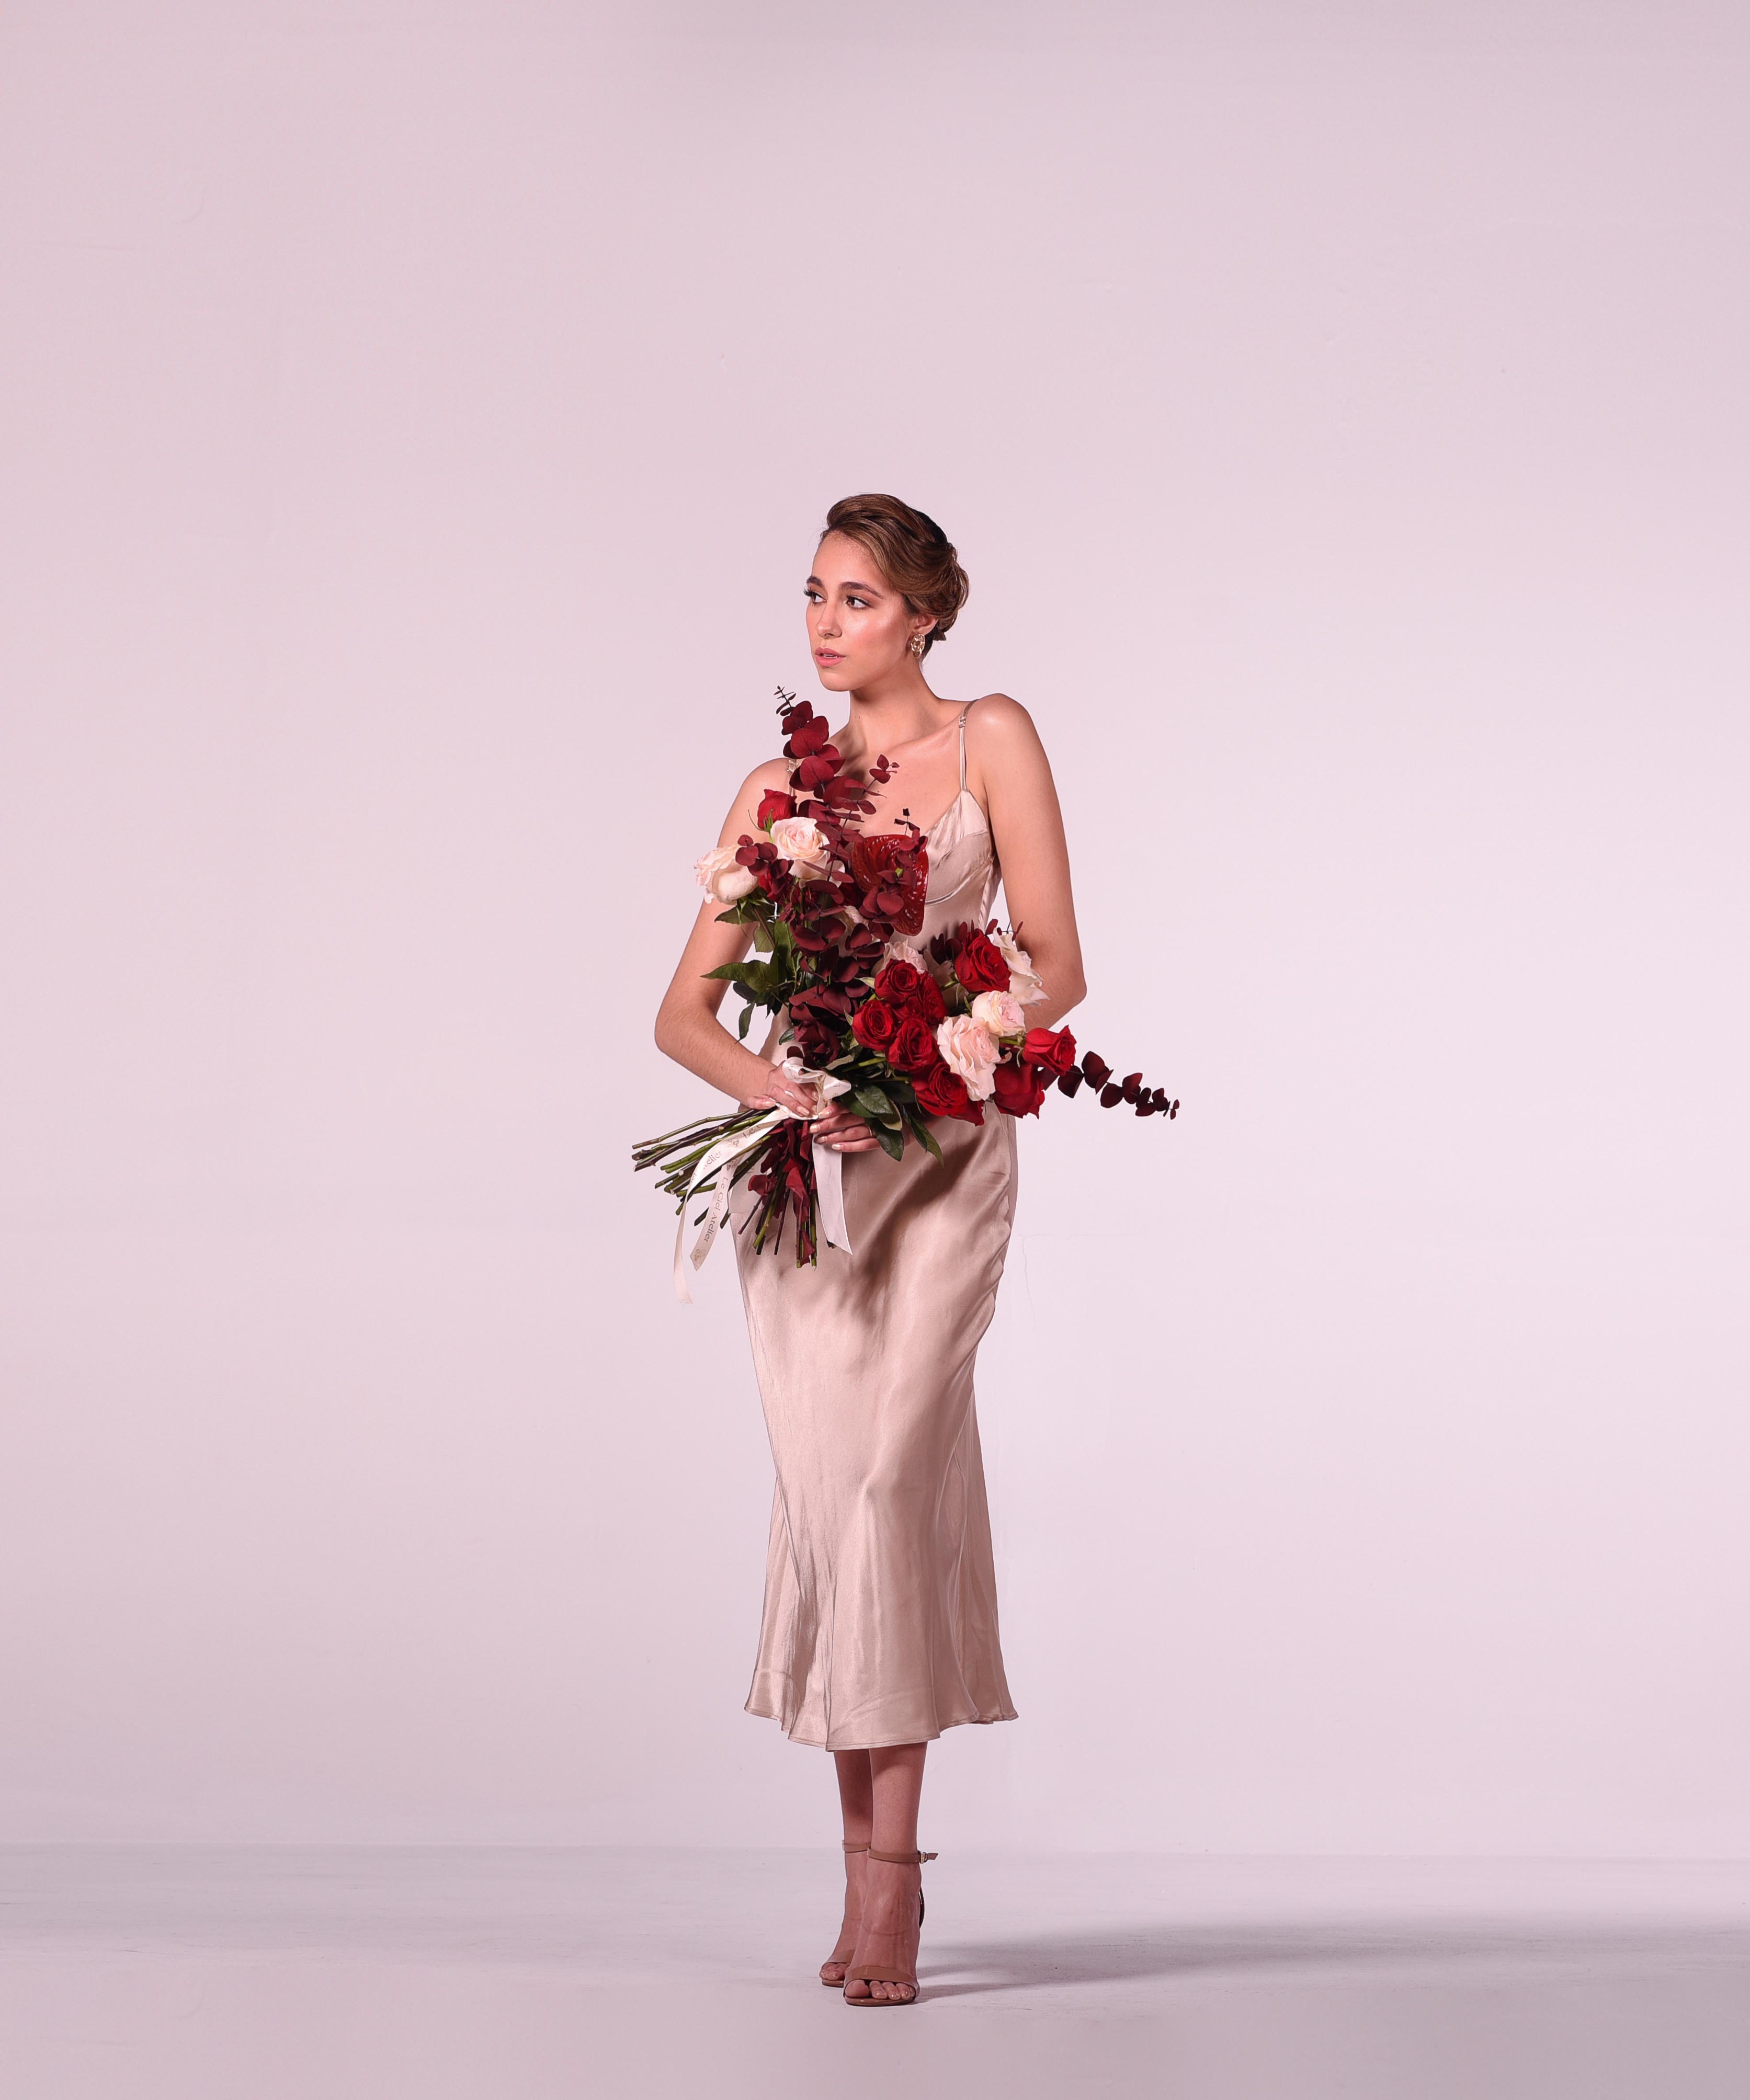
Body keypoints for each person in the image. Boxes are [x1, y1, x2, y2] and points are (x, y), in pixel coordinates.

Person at [654, 494, 1086, 2005]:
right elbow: (682, 1016)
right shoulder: (777, 788)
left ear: (924, 615)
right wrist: (787, 1091)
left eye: (856, 599)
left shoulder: (992, 738)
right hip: (813, 1182)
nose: (825, 624)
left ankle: (895, 1884)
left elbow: (1058, 967)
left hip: (944, 1157)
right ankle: (863, 1881)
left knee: (894, 1479)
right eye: (814, 595)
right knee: (839, 1503)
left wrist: (930, 1053)